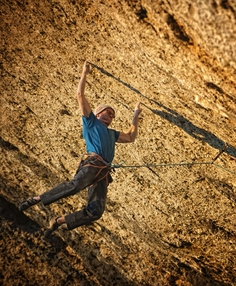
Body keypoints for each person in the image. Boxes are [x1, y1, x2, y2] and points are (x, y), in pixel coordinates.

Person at [19, 61, 143, 237]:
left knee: (96, 211)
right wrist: (84, 73)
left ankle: (59, 221)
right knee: (75, 185)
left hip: (103, 172)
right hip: (92, 163)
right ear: (98, 113)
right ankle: (36, 199)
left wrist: (135, 116)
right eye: (108, 112)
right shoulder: (91, 123)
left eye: (112, 115)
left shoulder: (112, 133)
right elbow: (80, 94)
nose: (110, 116)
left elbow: (131, 137)